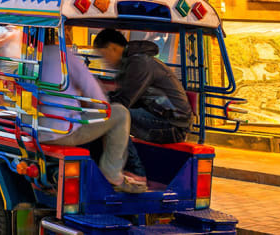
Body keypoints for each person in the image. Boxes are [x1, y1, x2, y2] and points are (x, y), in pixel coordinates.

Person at [38, 29, 146, 194]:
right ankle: (113, 173)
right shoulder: (66, 56)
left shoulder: (27, 57)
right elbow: (99, 101)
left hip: (33, 130)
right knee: (120, 113)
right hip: (63, 133)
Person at [93, 28, 193, 144]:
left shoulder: (139, 63)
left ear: (112, 48)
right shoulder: (132, 63)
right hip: (165, 118)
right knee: (110, 114)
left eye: (103, 56)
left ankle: (127, 162)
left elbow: (124, 101)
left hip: (172, 126)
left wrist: (95, 103)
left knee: (115, 115)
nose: (104, 61)